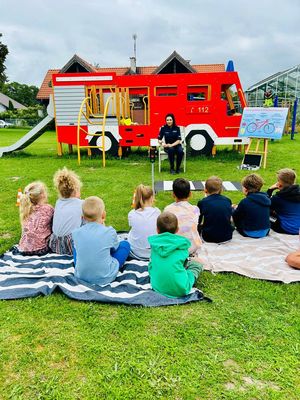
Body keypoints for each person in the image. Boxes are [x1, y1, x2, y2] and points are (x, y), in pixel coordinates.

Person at [72, 196, 130, 286]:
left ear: (82, 217)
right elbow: (115, 248)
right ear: (103, 215)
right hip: (106, 276)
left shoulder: (76, 233)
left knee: (76, 246)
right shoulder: (109, 232)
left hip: (81, 276)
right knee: (125, 245)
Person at [148, 212, 203, 298]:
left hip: (157, 286)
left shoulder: (154, 244)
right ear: (177, 229)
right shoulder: (182, 245)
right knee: (197, 263)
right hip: (181, 288)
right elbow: (183, 264)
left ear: (157, 230)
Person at [49, 167, 83, 255]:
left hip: (55, 244)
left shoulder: (58, 202)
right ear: (75, 190)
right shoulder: (81, 204)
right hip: (72, 245)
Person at [164, 178, 201, 255]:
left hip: (175, 247)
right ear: (190, 194)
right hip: (192, 246)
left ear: (173, 194)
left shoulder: (168, 210)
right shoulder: (195, 209)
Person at [18, 181, 54, 255]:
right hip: (41, 249)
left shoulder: (26, 209)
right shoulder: (48, 208)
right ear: (42, 195)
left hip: (23, 248)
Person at [128, 184, 161, 259]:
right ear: (152, 197)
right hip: (154, 251)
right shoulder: (157, 212)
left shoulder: (132, 214)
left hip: (136, 251)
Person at [232, 174, 271, 238]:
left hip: (249, 232)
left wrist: (234, 209)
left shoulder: (245, 201)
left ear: (245, 189)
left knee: (233, 211)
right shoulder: (266, 198)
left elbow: (236, 217)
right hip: (266, 231)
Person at [197, 176, 234, 243]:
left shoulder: (202, 202)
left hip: (209, 238)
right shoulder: (227, 200)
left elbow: (198, 221)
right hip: (227, 237)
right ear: (221, 190)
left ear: (205, 190)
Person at [267, 168, 300, 235]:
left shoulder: (278, 198)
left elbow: (265, 204)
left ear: (280, 183)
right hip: (299, 229)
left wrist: (270, 190)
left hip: (287, 228)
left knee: (264, 213)